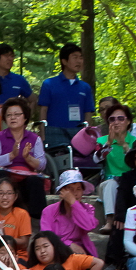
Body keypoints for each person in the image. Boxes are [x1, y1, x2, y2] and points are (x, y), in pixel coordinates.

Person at [37, 44, 94, 176]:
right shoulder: (49, 84)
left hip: (78, 132)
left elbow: (88, 113)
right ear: (64, 61)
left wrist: (88, 134)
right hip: (54, 130)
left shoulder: (85, 87)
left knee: (80, 163)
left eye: (81, 57)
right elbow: (43, 110)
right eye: (75, 57)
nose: (79, 61)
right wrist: (42, 134)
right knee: (56, 165)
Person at [0, 97, 47, 218]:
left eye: (17, 114)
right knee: (1, 176)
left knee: (35, 181)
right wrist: (11, 155)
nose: (12, 118)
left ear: (25, 118)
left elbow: (42, 164)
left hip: (26, 179)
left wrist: (28, 158)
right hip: (7, 178)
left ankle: (36, 219)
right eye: (9, 115)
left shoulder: (35, 138)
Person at [94, 104, 136, 233]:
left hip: (131, 183)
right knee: (111, 184)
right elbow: (96, 159)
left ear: (128, 121)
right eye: (112, 119)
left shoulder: (135, 141)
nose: (116, 122)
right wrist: (109, 143)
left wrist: (124, 145)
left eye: (120, 118)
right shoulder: (102, 141)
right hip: (109, 183)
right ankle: (110, 221)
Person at [41, 170, 99, 256]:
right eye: (70, 189)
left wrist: (73, 203)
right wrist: (68, 244)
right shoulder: (49, 211)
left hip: (82, 252)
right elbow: (47, 237)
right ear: (62, 192)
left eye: (78, 189)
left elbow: (89, 226)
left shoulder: (88, 208)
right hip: (57, 251)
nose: (75, 193)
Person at [0, 175, 32, 249]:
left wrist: (5, 239)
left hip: (17, 256)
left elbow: (24, 243)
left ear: (15, 196)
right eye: (1, 193)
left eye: (9, 193)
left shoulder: (22, 214)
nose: (5, 197)